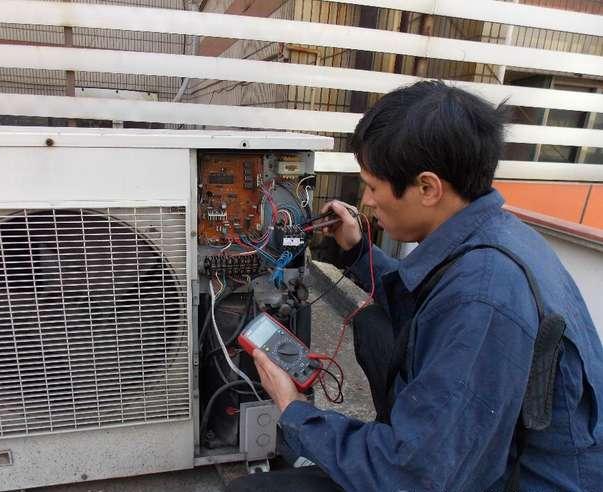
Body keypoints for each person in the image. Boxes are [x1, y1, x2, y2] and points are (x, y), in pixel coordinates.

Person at [226, 81, 603, 491]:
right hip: (478, 457)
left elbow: (415, 476)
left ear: (427, 188)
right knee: (373, 326)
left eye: (372, 186)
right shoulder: (497, 235)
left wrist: (294, 409)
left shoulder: (483, 298)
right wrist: (357, 252)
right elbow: (418, 296)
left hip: (501, 480)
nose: (366, 202)